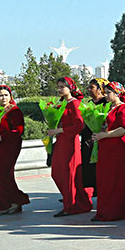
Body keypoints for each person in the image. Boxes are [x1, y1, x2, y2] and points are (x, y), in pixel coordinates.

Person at [91, 82, 125, 221]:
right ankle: (105, 210)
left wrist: (105, 135)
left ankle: (116, 211)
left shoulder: (124, 108)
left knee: (118, 179)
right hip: (106, 147)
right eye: (105, 92)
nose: (106, 95)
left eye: (108, 92)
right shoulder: (106, 107)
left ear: (117, 93)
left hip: (119, 147)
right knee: (105, 179)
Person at [47, 77, 93, 217]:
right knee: (57, 172)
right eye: (59, 86)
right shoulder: (60, 104)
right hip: (60, 141)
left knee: (68, 174)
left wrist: (59, 130)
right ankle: (74, 201)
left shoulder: (74, 104)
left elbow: (79, 125)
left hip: (70, 142)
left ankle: (70, 205)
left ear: (70, 88)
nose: (60, 89)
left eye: (63, 86)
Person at [0, 85, 30, 215]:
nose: (3, 97)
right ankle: (7, 205)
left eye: (6, 95)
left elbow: (18, 130)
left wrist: (1, 137)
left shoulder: (14, 111)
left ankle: (16, 201)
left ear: (10, 97)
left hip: (10, 145)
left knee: (2, 173)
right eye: (0, 95)